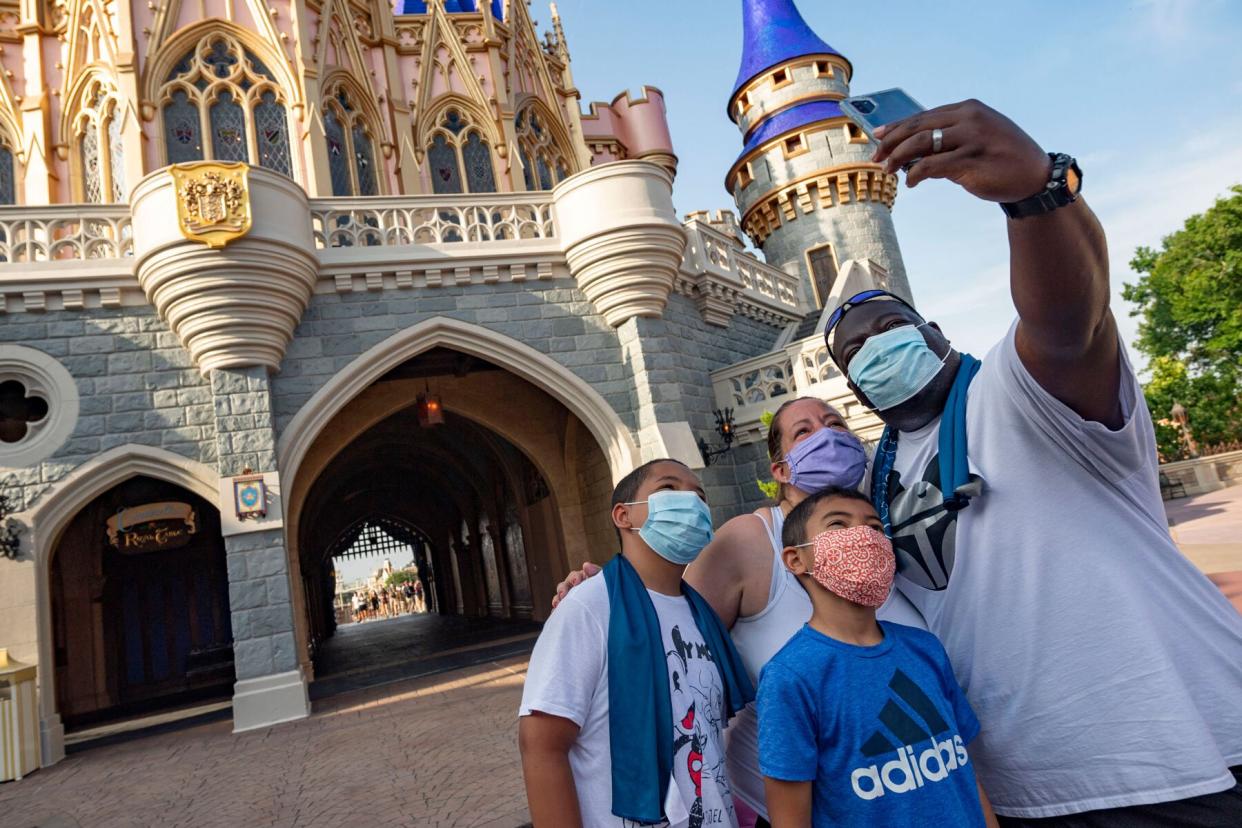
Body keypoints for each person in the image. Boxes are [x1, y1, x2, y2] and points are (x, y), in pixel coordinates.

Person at [823, 99, 1242, 823]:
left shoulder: (1017, 392)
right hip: (1034, 788)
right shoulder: (875, 477)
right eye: (854, 352)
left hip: (1186, 757)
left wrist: (1035, 196)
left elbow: (1069, 323)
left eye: (889, 326)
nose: (873, 349)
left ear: (934, 329)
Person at [553, 398, 926, 826]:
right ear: (781, 470)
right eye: (803, 432)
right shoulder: (750, 540)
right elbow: (668, 623)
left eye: (835, 423)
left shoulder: (883, 535)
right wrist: (606, 595)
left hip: (915, 792)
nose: (827, 436)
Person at [519, 459, 754, 827]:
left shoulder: (702, 614)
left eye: (700, 495)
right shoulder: (589, 607)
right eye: (668, 489)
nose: (690, 502)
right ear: (623, 516)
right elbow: (542, 744)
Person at [758, 486, 996, 827]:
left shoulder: (924, 649)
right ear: (796, 559)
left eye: (875, 528)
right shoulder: (790, 677)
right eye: (838, 525)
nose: (863, 537)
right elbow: (790, 818)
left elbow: (966, 776)